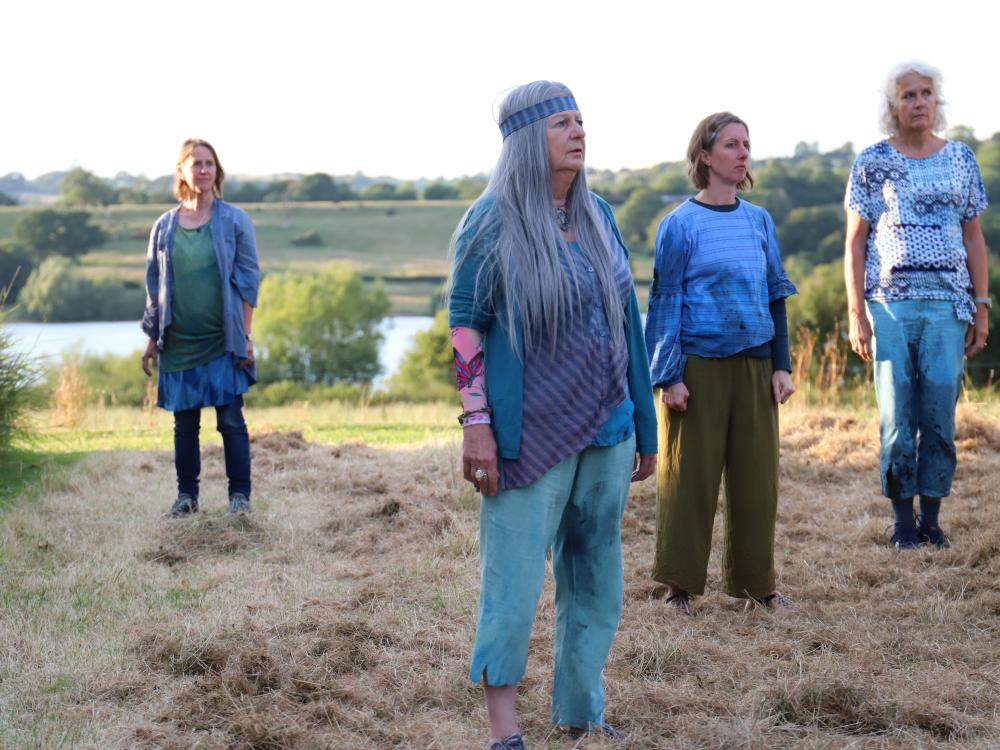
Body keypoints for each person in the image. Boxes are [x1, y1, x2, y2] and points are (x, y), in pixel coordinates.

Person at [447, 81, 657, 749]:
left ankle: (579, 715)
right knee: (512, 585)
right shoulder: (492, 221)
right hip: (527, 437)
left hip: (609, 429)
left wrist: (644, 428)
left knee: (596, 580)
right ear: (525, 140)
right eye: (560, 122)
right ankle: (505, 732)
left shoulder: (599, 214)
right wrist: (476, 424)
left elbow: (628, 325)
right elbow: (466, 328)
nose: (577, 130)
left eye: (580, 119)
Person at [645, 112, 798, 618]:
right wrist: (668, 375)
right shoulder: (679, 225)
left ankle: (758, 587)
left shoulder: (759, 221)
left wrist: (782, 365)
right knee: (688, 481)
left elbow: (775, 295)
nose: (742, 153)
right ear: (706, 156)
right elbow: (665, 302)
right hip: (697, 368)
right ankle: (679, 588)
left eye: (746, 144)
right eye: (731, 144)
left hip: (755, 367)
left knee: (758, 485)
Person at [845, 61, 990, 550]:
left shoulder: (962, 159)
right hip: (888, 306)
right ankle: (903, 525)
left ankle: (933, 520)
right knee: (894, 419)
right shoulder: (871, 161)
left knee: (939, 420)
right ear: (893, 106)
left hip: (948, 307)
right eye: (909, 95)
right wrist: (855, 314)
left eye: (927, 93)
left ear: (937, 101)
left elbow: (974, 238)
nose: (919, 102)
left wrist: (982, 306)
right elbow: (854, 244)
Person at [141, 138, 260, 517]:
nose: (204, 170)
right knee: (184, 423)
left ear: (217, 171)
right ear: (182, 171)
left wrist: (245, 335)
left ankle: (239, 500)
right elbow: (153, 285)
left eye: (210, 163)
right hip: (177, 340)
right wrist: (151, 338)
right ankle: (186, 498)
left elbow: (247, 281)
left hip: (222, 339)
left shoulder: (235, 221)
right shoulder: (164, 226)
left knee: (230, 420)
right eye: (197, 163)